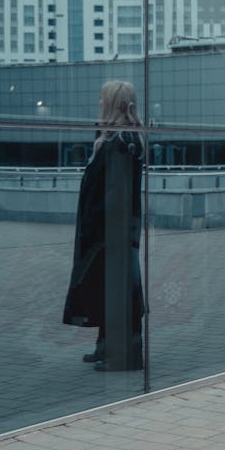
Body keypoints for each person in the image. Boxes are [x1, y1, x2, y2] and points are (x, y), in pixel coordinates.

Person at [63, 81, 144, 371]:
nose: (99, 103)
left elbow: (115, 195)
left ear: (113, 104)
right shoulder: (115, 139)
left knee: (117, 291)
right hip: (108, 232)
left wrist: (96, 225)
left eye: (103, 99)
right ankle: (107, 346)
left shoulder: (122, 141)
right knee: (105, 288)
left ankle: (124, 355)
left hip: (111, 233)